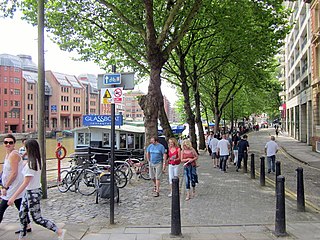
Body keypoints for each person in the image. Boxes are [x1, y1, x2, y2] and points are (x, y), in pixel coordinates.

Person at [8, 139, 66, 240]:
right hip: (29, 192)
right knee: (22, 212)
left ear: (29, 149)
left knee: (37, 218)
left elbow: (25, 183)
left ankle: (59, 231)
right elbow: (24, 161)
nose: (23, 149)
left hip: (32, 193)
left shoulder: (32, 164)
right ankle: (22, 235)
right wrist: (24, 154)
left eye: (25, 148)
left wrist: (13, 197)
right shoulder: (36, 160)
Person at [0, 134, 31, 234]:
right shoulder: (8, 154)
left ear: (14, 144)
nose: (8, 144)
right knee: (20, 206)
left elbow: (14, 173)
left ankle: (27, 225)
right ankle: (27, 226)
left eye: (10, 142)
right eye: (6, 142)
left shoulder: (13, 155)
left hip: (13, 186)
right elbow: (7, 170)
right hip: (13, 186)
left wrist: (5, 186)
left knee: (2, 207)